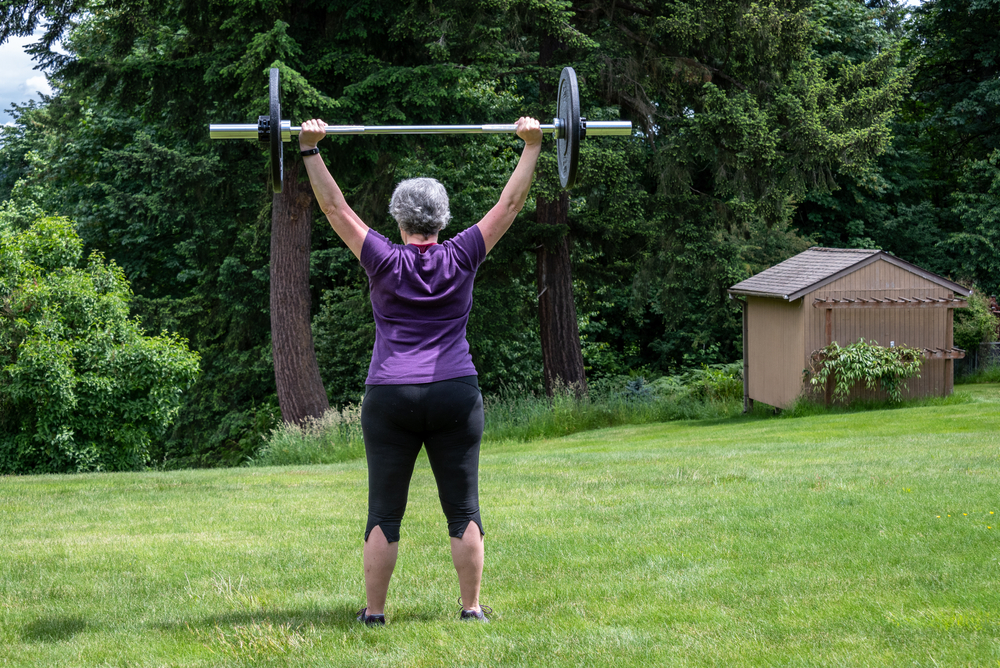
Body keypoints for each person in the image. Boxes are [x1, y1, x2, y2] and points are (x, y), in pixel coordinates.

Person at [297, 116, 543, 625]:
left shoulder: (383, 259)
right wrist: (532, 146)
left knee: (384, 512)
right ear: (443, 218)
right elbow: (510, 205)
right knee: (463, 506)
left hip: (391, 396)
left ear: (398, 219)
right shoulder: (463, 254)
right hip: (455, 392)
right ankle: (471, 609)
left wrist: (309, 150)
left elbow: (334, 208)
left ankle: (375, 614)